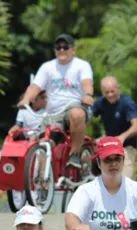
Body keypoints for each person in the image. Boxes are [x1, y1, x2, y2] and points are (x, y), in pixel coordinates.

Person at [17, 33, 94, 171]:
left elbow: (86, 82)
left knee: (77, 114)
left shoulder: (82, 65)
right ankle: (43, 183)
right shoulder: (47, 67)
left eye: (65, 47)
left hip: (74, 106)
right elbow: (36, 87)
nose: (62, 50)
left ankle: (75, 155)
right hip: (53, 113)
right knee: (43, 144)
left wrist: (87, 95)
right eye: (58, 47)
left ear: (73, 49)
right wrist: (26, 99)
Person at [91, 76, 137, 179]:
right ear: (102, 92)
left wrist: (122, 137)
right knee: (86, 148)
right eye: (106, 92)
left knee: (123, 179)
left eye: (112, 91)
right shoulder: (100, 102)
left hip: (126, 145)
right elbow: (86, 117)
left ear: (118, 88)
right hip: (108, 142)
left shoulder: (127, 103)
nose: (110, 95)